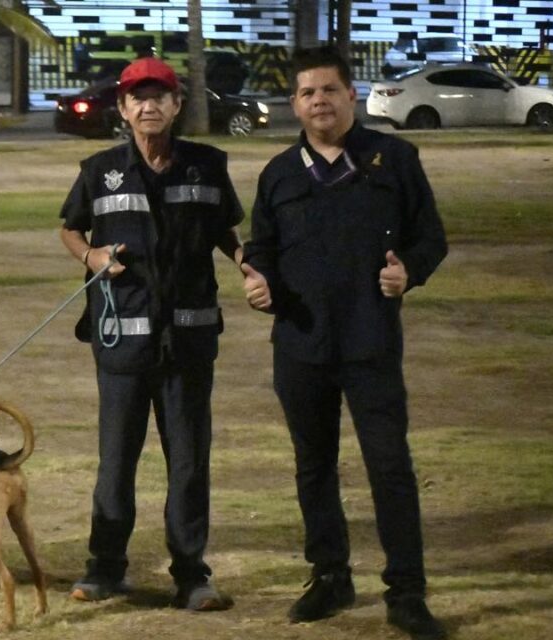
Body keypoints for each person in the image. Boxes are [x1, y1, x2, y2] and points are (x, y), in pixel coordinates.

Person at [241, 46, 448, 639]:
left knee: (390, 467)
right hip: (301, 346)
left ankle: (406, 592)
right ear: (295, 104)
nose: (319, 101)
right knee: (314, 467)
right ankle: (330, 577)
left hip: (370, 343)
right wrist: (260, 283)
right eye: (307, 93)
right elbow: (262, 249)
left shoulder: (396, 159)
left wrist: (409, 268)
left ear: (351, 95)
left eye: (329, 90)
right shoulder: (279, 172)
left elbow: (431, 237)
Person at [59, 57, 244, 610]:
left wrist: (246, 262)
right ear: (122, 108)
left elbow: (224, 231)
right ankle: (105, 568)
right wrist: (90, 254)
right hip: (121, 343)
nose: (148, 106)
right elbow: (70, 228)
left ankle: (191, 574)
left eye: (158, 96)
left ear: (176, 104)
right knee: (116, 460)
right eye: (137, 98)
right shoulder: (100, 169)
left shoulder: (207, 166)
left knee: (188, 459)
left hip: (188, 341)